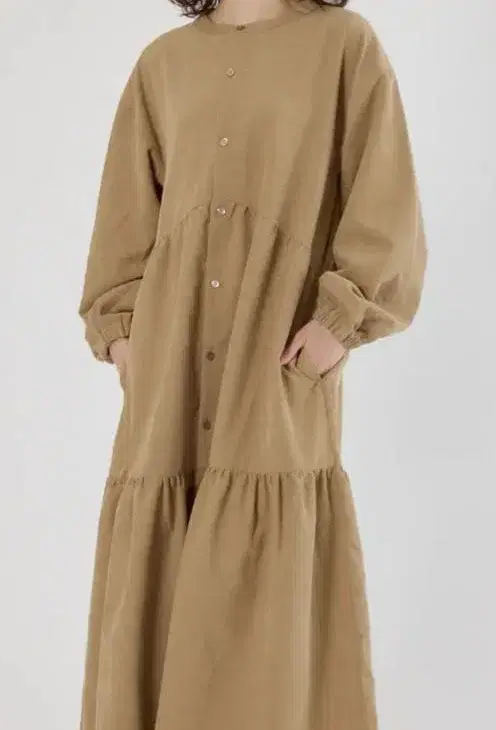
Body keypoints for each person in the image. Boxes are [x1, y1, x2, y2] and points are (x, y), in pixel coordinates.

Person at [77, 0, 427, 727]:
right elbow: (124, 216)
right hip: (169, 374)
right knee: (164, 574)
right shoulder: (163, 63)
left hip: (277, 360)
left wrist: (340, 320)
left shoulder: (343, 45)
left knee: (268, 604)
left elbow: (384, 200)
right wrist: (125, 337)